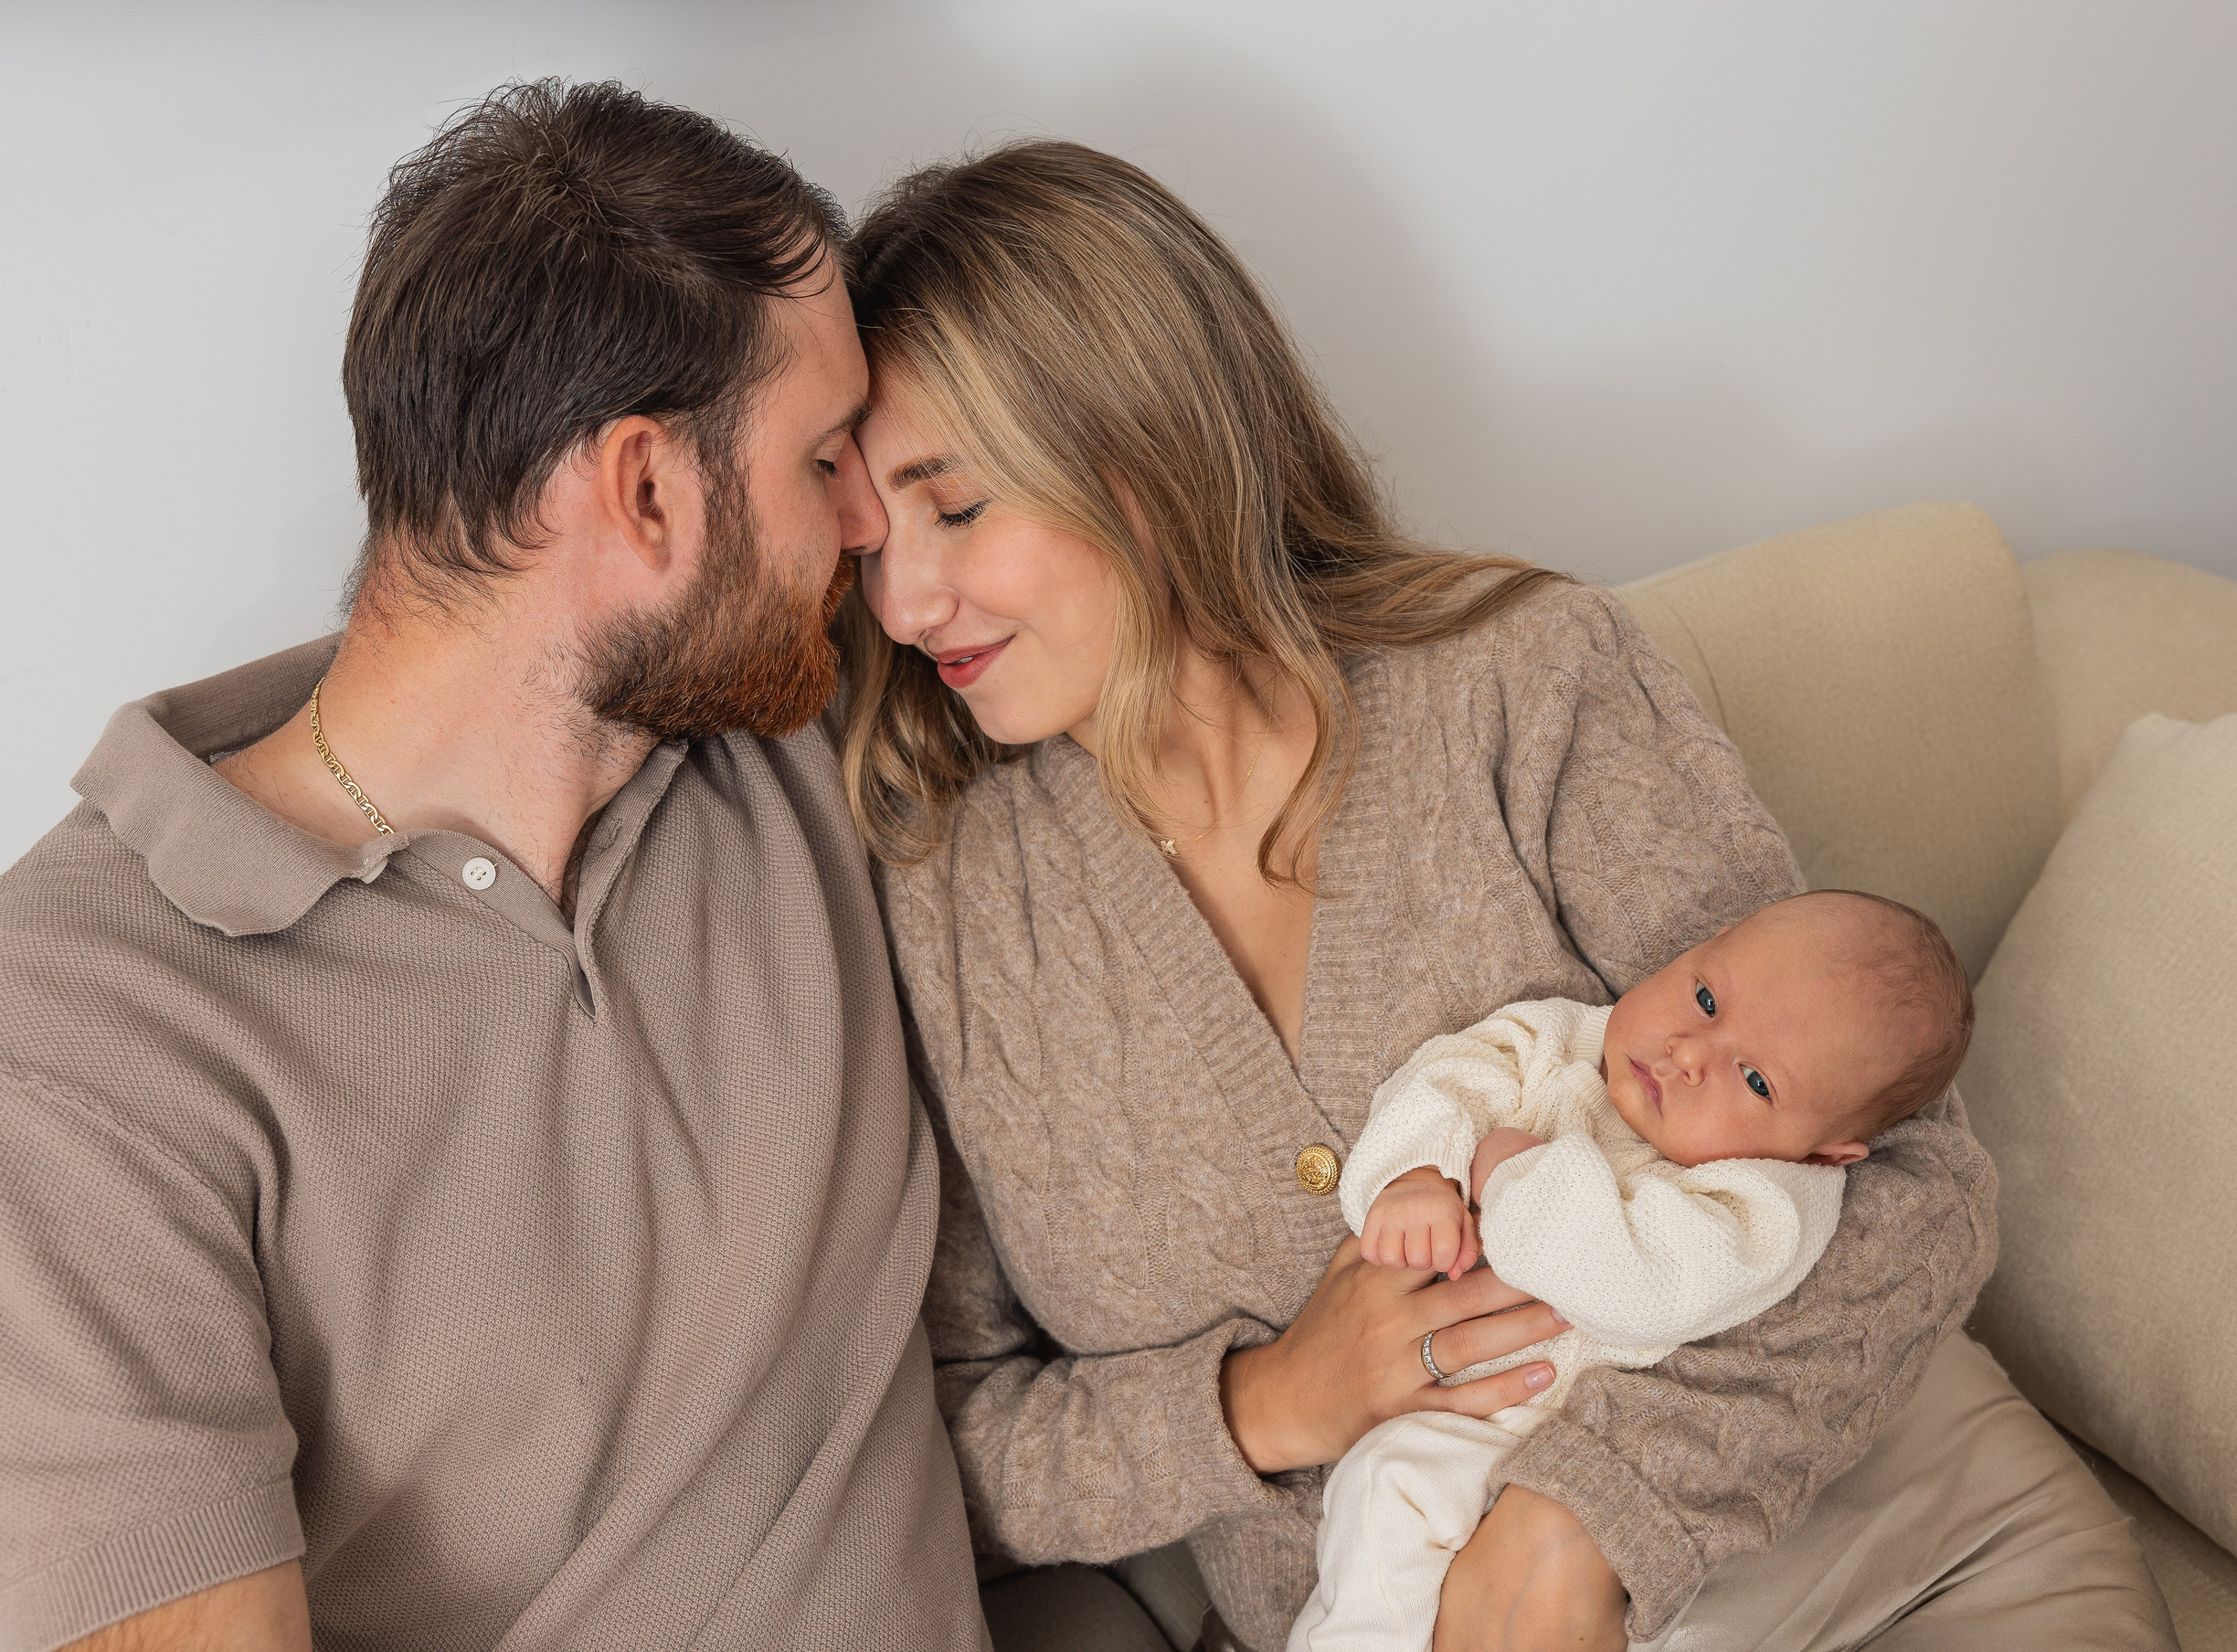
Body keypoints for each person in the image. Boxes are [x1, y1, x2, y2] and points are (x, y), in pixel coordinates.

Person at [835, 140, 2175, 1651]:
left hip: (1879, 1562)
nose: (904, 604)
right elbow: (954, 1442)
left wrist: (1576, 1522)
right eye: (872, 544)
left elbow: (1915, 1189)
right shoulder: (942, 904)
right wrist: (1264, 1400)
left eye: (954, 513)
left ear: (1136, 462)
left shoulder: (1520, 686)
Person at [0, 81, 985, 1651]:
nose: (874, 524)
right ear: (647, 491)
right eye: (827, 459)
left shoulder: (795, 752)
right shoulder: (60, 1036)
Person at [1296, 891, 1973, 1650]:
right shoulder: (1568, 1035)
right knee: (1376, 1496)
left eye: (1755, 1082)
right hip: (1459, 1420)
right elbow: (1451, 1076)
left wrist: (1508, 1171)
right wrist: (1415, 1173)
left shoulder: (1761, 1209)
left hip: (1540, 1449)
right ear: (1702, 944)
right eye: (1708, 997)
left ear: (1823, 1153)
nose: (1688, 1053)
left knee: (1390, 1492)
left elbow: (1630, 1280)